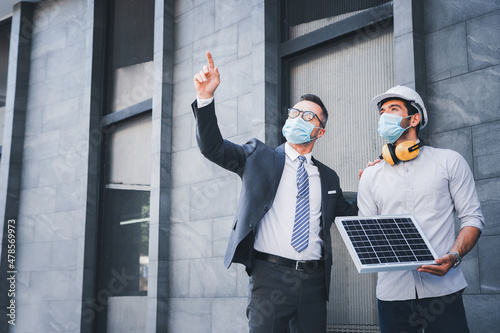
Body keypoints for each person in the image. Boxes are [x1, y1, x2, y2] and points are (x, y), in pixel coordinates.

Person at [192, 51, 357, 332]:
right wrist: (206, 99)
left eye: (307, 116)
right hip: (269, 279)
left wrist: (378, 176)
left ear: (320, 132)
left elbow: (355, 211)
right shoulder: (259, 156)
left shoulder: (328, 177)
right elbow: (213, 148)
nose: (297, 117)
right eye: (294, 112)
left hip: (314, 283)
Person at [357, 85, 485, 333]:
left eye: (393, 109)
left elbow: (473, 218)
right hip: (392, 294)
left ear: (414, 118)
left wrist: (455, 256)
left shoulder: (449, 161)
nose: (385, 116)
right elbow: (366, 230)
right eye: (382, 111)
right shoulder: (370, 175)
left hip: (444, 290)